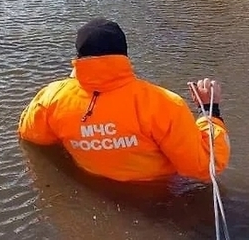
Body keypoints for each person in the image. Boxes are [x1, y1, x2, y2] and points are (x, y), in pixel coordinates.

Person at [18, 18, 230, 183]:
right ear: (125, 55)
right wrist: (210, 112)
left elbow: (31, 136)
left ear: (78, 58)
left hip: (95, 188)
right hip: (159, 194)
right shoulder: (163, 104)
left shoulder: (52, 98)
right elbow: (205, 167)